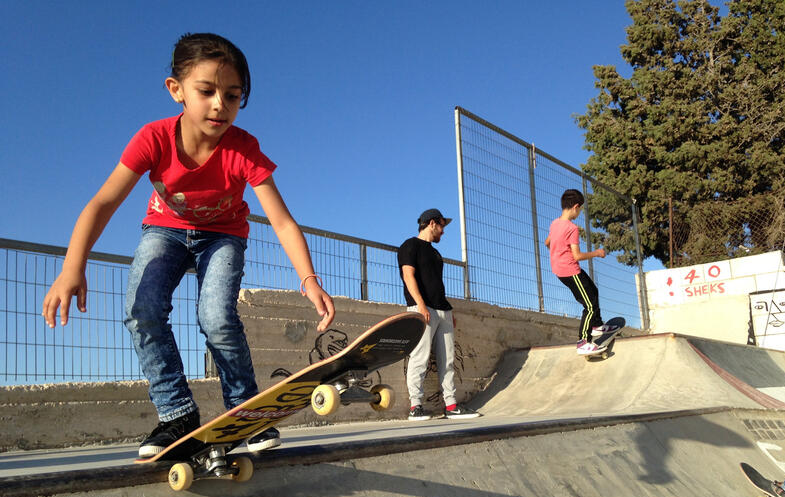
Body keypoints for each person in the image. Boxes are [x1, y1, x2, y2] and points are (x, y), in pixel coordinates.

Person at [41, 33, 335, 458]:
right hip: (165, 229)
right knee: (142, 309)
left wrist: (308, 279)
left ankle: (245, 412)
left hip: (224, 235)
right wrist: (74, 266)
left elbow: (283, 221)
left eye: (233, 96)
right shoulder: (153, 139)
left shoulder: (243, 148)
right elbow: (103, 202)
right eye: (207, 91)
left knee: (215, 315)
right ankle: (176, 414)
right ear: (176, 90)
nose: (220, 105)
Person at [398, 208, 480, 421]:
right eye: (442, 226)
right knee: (420, 358)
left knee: (448, 360)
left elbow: (437, 284)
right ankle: (415, 407)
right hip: (421, 310)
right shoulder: (409, 245)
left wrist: (447, 309)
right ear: (432, 223)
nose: (443, 232)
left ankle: (451, 406)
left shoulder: (435, 253)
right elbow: (408, 276)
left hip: (443, 310)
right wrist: (421, 305)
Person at [544, 189, 619, 354]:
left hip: (560, 270)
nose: (579, 213)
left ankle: (597, 325)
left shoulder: (555, 223)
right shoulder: (572, 228)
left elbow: (547, 242)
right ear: (576, 207)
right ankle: (583, 341)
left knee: (593, 290)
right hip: (570, 270)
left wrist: (556, 252)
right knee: (590, 305)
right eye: (580, 210)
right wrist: (597, 253)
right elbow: (577, 256)